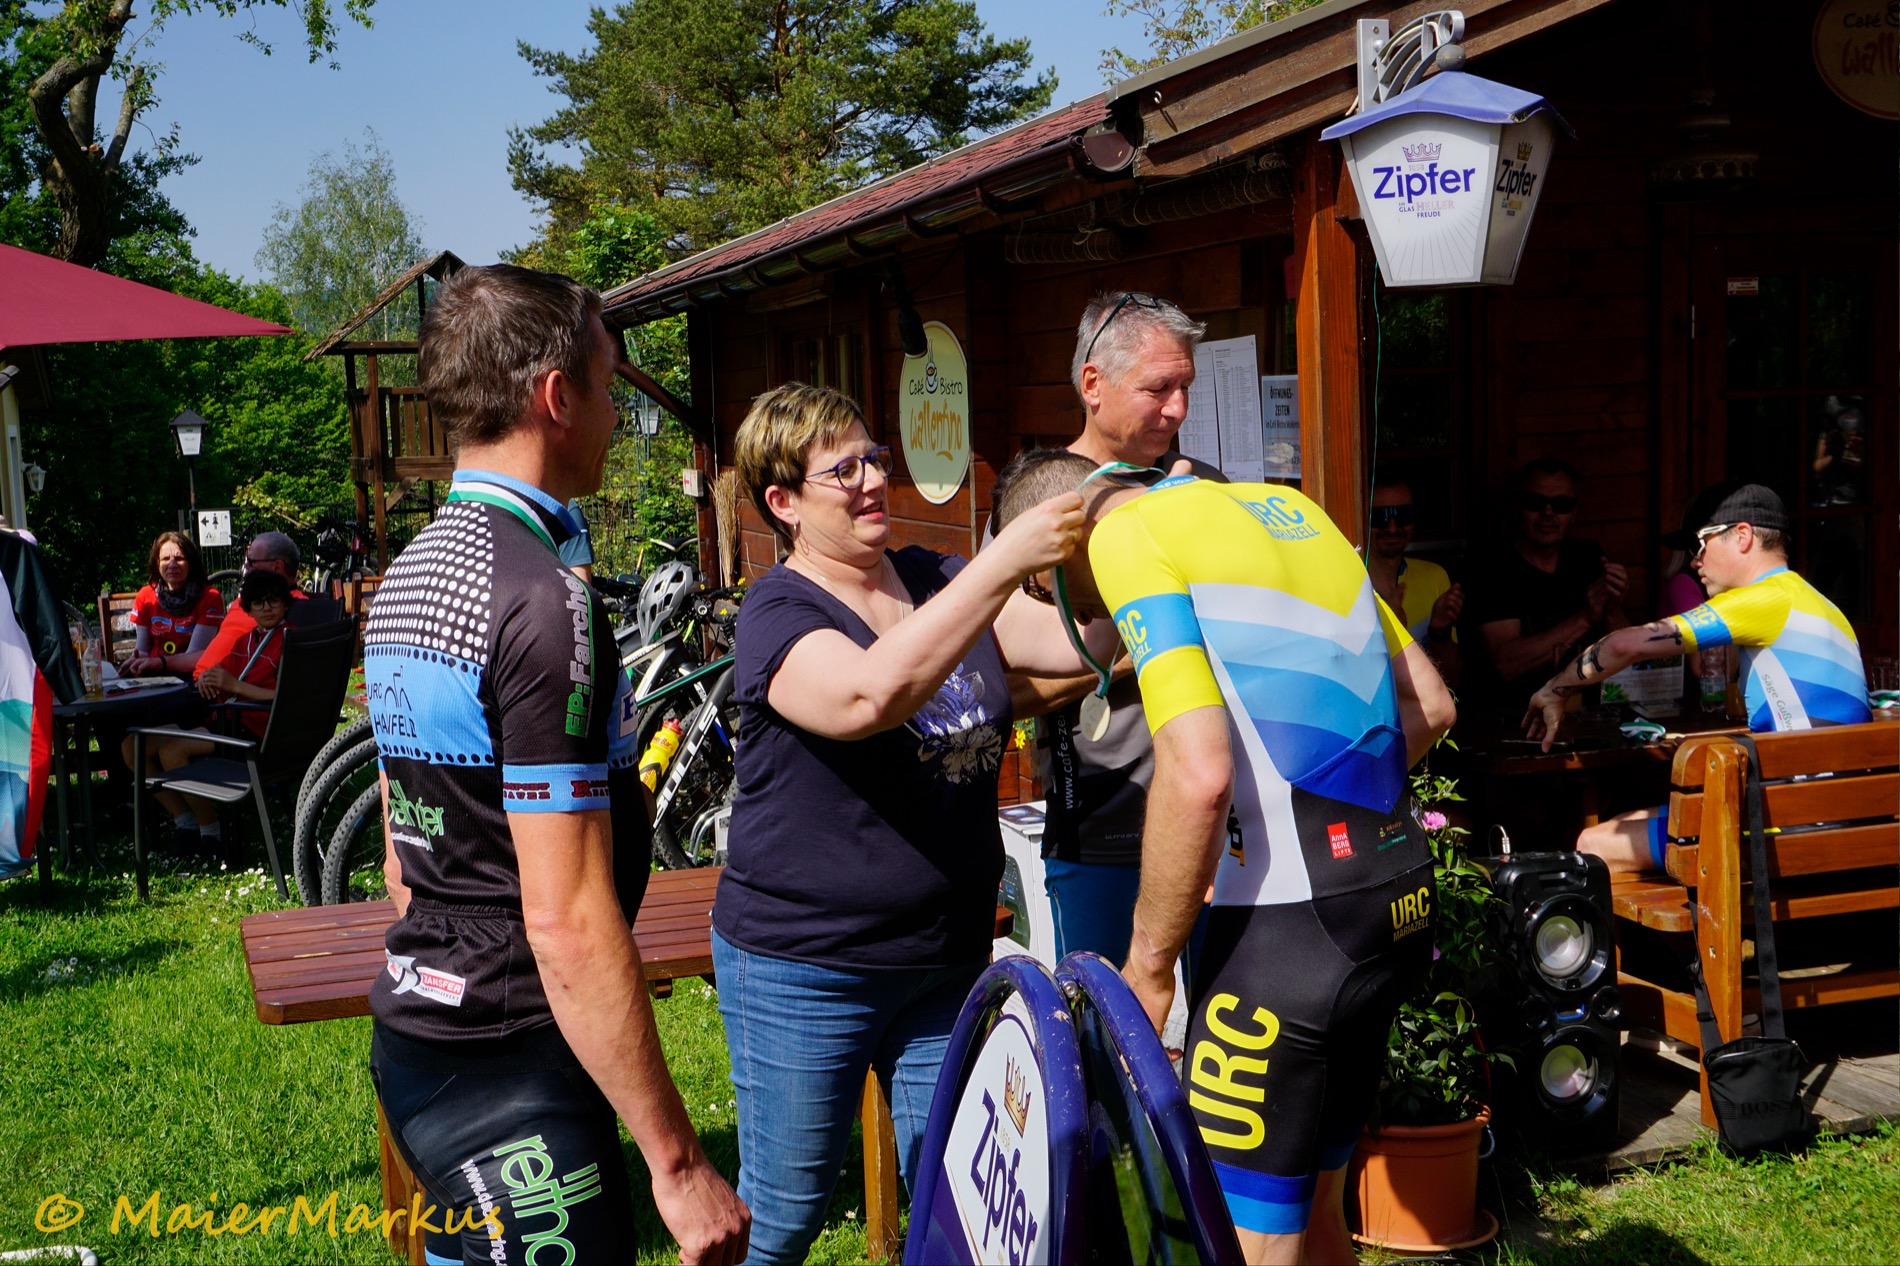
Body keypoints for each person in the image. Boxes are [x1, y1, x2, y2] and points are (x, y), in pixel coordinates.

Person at [362, 264, 749, 1266]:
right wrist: (679, 1164)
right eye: (609, 386)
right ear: (556, 395)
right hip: (512, 1067)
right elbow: (564, 917)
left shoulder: (410, 572)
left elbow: (405, 850)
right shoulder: (540, 597)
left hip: (424, 1038)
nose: (617, 416)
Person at [992, 449, 1457, 1266]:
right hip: (1390, 895)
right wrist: (1303, 818)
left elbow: (1198, 773)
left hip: (1290, 936)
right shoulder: (1295, 511)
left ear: (1057, 541)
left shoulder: (1124, 535)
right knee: (1320, 1215)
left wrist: (1148, 968)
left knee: (1244, 1243)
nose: (1079, 612)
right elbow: (1432, 706)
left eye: (1044, 590)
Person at [718, 381, 1099, 1263]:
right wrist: (1002, 562)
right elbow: (868, 695)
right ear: (783, 503)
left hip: (942, 957)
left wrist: (1131, 562)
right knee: (786, 1213)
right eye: (841, 470)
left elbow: (1074, 648)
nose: (869, 480)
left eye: (873, 459)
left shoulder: (935, 577)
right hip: (807, 966)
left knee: (960, 1201)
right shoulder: (778, 614)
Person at [994, 290, 1220, 965]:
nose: (1177, 408)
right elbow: (1001, 690)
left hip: (1218, 828)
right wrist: (1148, 648)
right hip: (1100, 835)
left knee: (1222, 1025)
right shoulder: (1036, 506)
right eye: (1159, 388)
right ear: (1092, 384)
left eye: (1185, 386)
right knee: (1105, 1022)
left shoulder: (1203, 489)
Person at [1524, 484, 1871, 874]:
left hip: (1794, 828)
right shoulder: (1822, 604)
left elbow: (1624, 644)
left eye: (1701, 544)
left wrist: (1555, 689)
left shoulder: (1764, 598)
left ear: (1742, 536)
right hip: (1841, 818)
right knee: (1634, 818)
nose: (1694, 561)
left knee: (1594, 844)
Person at [121, 567, 290, 847]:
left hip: (254, 730)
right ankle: (184, 821)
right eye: (258, 602)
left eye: (274, 600)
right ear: (248, 609)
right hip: (223, 719)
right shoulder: (247, 639)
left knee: (172, 751)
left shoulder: (290, 641)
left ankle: (210, 832)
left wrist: (234, 685)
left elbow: (286, 696)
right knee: (132, 746)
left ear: (285, 603)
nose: (267, 608)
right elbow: (222, 673)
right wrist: (209, 680)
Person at [1466, 458, 1629, 714]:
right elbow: (1506, 663)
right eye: (1535, 502)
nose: (1548, 513)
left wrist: (1612, 604)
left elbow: (1625, 652)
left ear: (1574, 512)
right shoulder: (1492, 566)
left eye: (1561, 505)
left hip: (1589, 713)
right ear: (1517, 507)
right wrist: (1584, 618)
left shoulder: (1588, 557)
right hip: (1516, 717)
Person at [1366, 471, 1462, 688]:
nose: (1392, 528)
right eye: (1380, 517)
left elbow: (1453, 681)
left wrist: (1439, 635)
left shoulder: (1434, 576)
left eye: (1402, 516)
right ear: (1363, 518)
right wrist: (1392, 632)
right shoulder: (1349, 581)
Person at [121, 530, 224, 677]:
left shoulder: (210, 597)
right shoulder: (145, 596)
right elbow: (142, 649)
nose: (172, 564)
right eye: (165, 559)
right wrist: (136, 660)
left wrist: (160, 663)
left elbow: (195, 655)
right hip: (153, 674)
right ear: (157, 564)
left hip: (192, 676)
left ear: (191, 564)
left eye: (179, 558)